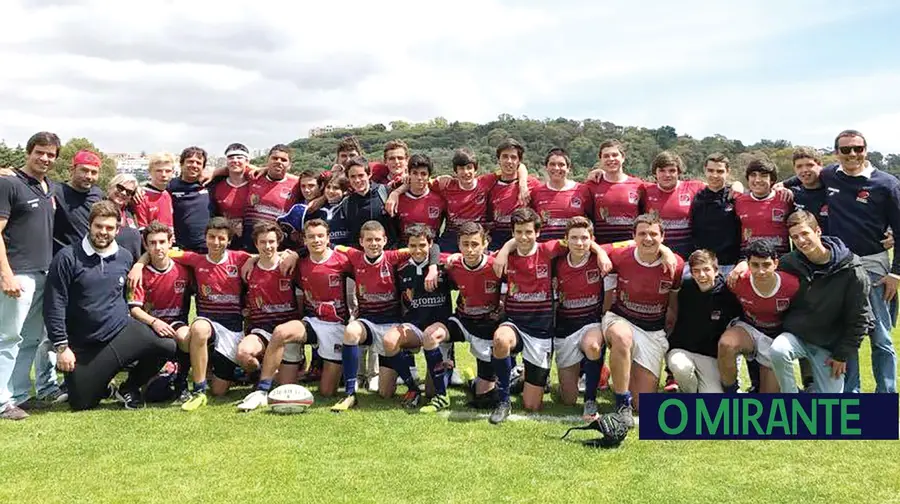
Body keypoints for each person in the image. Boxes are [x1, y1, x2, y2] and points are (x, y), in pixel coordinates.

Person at [44, 201, 177, 410]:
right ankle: (102, 386)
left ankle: (129, 386)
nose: (103, 232)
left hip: (120, 332)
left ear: (117, 229)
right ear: (90, 225)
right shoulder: (67, 258)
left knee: (167, 345)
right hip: (85, 344)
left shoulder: (124, 256)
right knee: (82, 403)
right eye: (99, 226)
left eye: (109, 228)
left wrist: (139, 263)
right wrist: (62, 347)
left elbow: (163, 254)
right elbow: (54, 304)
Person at [488, 208, 612, 424]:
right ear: (512, 233)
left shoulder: (549, 250)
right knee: (500, 339)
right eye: (518, 232)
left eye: (528, 231)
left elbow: (580, 241)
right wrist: (505, 249)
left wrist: (600, 252)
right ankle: (503, 400)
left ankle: (524, 379)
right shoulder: (504, 256)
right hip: (515, 324)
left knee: (536, 405)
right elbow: (470, 256)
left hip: (542, 332)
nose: (524, 237)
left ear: (537, 232)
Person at [237, 219, 353, 411]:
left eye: (320, 236)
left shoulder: (342, 260)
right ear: (304, 240)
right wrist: (254, 258)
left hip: (337, 327)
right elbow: (271, 255)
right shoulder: (299, 262)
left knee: (326, 392)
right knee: (281, 333)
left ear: (328, 238)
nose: (316, 240)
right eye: (311, 237)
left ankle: (337, 371)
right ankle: (263, 390)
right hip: (312, 322)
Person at [330, 221, 438, 412]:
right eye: (369, 240)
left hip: (392, 325)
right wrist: (295, 253)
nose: (373, 243)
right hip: (368, 323)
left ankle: (412, 386)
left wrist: (433, 267)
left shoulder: (394, 256)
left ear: (385, 240)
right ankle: (349, 393)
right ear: (361, 242)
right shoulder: (354, 256)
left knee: (385, 393)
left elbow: (432, 246)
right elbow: (330, 246)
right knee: (351, 331)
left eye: (378, 239)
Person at [768, 210, 874, 393]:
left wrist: (841, 356)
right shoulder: (788, 263)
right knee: (778, 350)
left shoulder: (852, 270)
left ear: (818, 231)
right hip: (797, 337)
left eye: (805, 234)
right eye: (795, 237)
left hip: (828, 346)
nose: (801, 241)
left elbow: (860, 318)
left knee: (830, 408)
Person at [0, 131, 64, 420]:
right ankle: (2, 401)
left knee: (31, 339)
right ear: (29, 152)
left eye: (50, 154)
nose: (45, 158)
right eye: (40, 152)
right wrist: (6, 275)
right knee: (7, 338)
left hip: (44, 272)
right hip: (18, 274)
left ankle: (21, 395)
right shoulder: (9, 184)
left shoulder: (47, 186)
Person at [600, 213, 683, 424]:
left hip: (652, 330)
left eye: (653, 234)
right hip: (621, 318)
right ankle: (621, 403)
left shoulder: (677, 265)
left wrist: (669, 327)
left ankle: (627, 387)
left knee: (643, 404)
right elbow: (589, 243)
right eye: (642, 234)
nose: (648, 238)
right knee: (622, 337)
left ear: (663, 236)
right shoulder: (620, 255)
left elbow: (673, 303)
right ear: (633, 237)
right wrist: (600, 254)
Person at [420, 222, 503, 411]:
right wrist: (434, 267)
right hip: (462, 320)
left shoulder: (496, 265)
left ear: (484, 244)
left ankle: (473, 380)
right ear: (458, 245)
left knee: (484, 399)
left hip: (486, 327)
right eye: (465, 244)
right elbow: (431, 248)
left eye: (475, 244)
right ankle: (441, 395)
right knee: (430, 335)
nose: (470, 249)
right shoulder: (453, 263)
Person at [719, 240, 800, 393]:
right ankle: (731, 393)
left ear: (776, 263)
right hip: (749, 330)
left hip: (776, 341)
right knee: (726, 344)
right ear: (747, 264)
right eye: (755, 265)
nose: (761, 271)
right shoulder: (737, 281)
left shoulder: (792, 285)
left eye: (766, 265)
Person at [127, 221, 193, 403]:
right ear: (146, 244)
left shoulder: (183, 269)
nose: (158, 247)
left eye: (162, 242)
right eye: (153, 243)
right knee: (153, 393)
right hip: (148, 325)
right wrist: (154, 322)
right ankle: (135, 382)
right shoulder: (139, 274)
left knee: (185, 336)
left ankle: (182, 385)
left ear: (170, 242)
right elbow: (134, 309)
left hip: (175, 322)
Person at [550, 217, 606, 419]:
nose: (580, 243)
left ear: (592, 239)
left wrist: (600, 252)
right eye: (574, 238)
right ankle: (567, 385)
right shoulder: (556, 262)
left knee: (593, 346)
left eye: (584, 238)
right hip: (565, 327)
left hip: (591, 323)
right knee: (568, 400)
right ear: (566, 240)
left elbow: (635, 242)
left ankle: (590, 400)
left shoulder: (599, 257)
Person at [234, 222, 302, 384]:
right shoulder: (248, 269)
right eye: (263, 242)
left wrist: (294, 254)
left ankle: (291, 364)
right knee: (243, 354)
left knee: (284, 386)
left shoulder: (290, 265)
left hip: (287, 331)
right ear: (256, 244)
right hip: (262, 330)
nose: (268, 246)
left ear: (278, 243)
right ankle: (261, 370)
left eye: (271, 242)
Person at [666, 249, 742, 393]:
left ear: (716, 270)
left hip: (710, 357)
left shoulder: (728, 294)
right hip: (682, 350)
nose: (701, 275)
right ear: (692, 272)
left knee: (713, 397)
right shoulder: (685, 288)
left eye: (706, 269)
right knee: (680, 367)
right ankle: (689, 395)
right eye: (696, 271)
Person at [690, 153, 742, 276]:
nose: (714, 175)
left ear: (728, 171)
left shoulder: (736, 196)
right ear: (704, 170)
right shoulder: (696, 197)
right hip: (702, 265)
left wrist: (738, 184)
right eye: (710, 170)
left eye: (720, 171)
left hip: (729, 265)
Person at [241, 144, 300, 253]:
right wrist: (214, 173)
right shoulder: (253, 176)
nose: (279, 161)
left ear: (290, 165)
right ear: (267, 161)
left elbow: (315, 182)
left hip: (277, 244)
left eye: (283, 160)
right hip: (249, 242)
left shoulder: (297, 184)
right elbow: (232, 167)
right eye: (274, 158)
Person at [528, 148, 592, 241]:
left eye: (561, 164)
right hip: (545, 249)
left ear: (568, 168)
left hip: (574, 249)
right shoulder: (536, 191)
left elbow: (591, 220)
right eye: (552, 164)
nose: (557, 168)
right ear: (546, 167)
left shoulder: (582, 190)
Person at [486, 139, 539, 250]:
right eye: (505, 156)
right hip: (496, 242)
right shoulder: (489, 183)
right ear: (498, 160)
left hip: (523, 242)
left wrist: (522, 184)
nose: (509, 161)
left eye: (513, 157)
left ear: (519, 161)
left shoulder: (532, 184)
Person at [168, 146, 212, 253]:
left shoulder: (210, 184)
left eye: (198, 163)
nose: (194, 165)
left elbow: (233, 170)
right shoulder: (170, 186)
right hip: (179, 247)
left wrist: (215, 172)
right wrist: (137, 190)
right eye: (190, 161)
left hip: (206, 247)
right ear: (181, 164)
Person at [209, 143, 251, 250]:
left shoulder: (256, 183)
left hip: (252, 240)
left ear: (247, 162)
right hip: (225, 240)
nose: (235, 160)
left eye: (239, 157)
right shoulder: (215, 185)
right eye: (231, 157)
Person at [133, 152, 176, 230]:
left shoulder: (167, 193)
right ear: (150, 172)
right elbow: (142, 230)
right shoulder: (141, 197)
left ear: (173, 172)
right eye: (159, 171)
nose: (163, 174)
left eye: (168, 171)